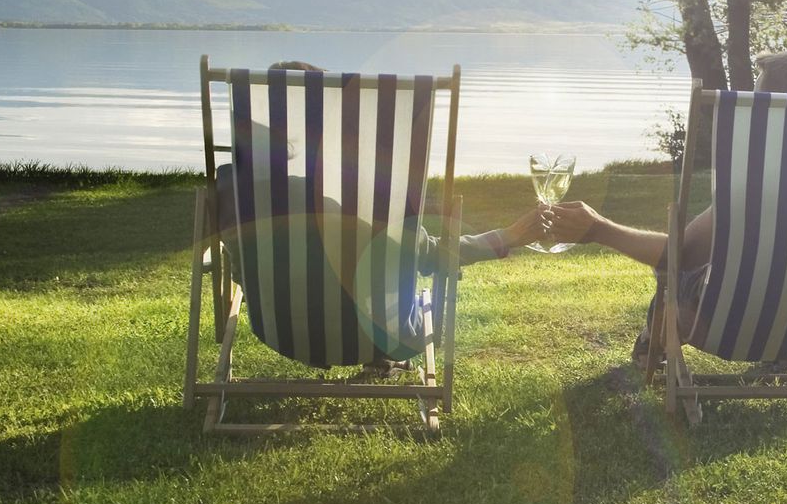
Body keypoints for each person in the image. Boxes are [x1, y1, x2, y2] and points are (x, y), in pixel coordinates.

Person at [542, 49, 787, 371]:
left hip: (726, 330)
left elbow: (682, 254)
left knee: (672, 269)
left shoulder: (756, 188)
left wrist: (599, 228)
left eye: (757, 98)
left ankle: (651, 343)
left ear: (771, 113)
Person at [210, 61, 550, 374]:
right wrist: (506, 236)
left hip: (280, 330)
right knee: (377, 277)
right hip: (380, 336)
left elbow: (241, 269)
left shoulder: (230, 196)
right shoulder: (354, 205)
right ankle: (382, 361)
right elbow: (436, 254)